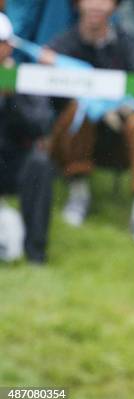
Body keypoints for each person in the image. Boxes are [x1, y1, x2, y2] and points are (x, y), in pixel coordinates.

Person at [41, 0, 134, 246]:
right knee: (80, 108)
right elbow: (46, 104)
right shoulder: (60, 47)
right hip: (72, 141)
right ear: (77, 4)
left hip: (120, 134)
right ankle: (78, 194)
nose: (96, 5)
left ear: (115, 7)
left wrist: (117, 107)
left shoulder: (130, 43)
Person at [0, 11, 54, 263]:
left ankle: (35, 253)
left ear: (9, 46)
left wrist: (13, 99)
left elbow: (41, 124)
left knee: (40, 164)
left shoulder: (24, 77)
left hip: (13, 160)